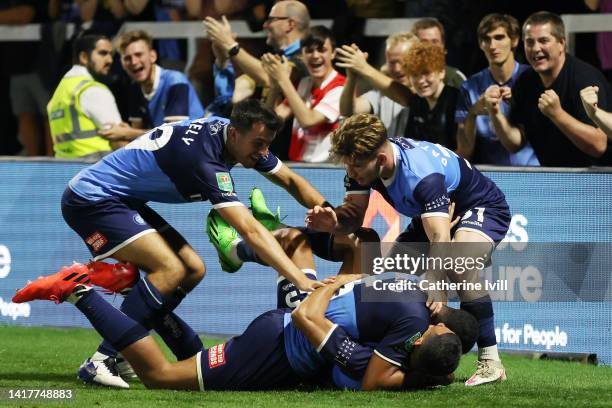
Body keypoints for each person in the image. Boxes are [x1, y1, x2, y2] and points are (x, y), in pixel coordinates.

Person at [57, 99, 329, 388]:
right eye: (259, 143)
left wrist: (329, 211)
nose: (263, 152)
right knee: (170, 269)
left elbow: (290, 180)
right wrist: (299, 278)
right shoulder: (205, 160)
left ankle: (127, 348)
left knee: (192, 268)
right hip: (91, 200)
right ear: (235, 134)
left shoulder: (235, 136)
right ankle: (101, 359)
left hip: (124, 201)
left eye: (268, 144)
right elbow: (250, 230)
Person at [12, 264, 473, 391]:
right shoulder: (403, 333)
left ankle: (144, 298)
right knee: (160, 377)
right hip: (275, 350)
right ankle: (79, 291)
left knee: (189, 363)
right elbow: (373, 380)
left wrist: (341, 282)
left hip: (277, 337)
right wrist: (421, 378)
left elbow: (354, 282)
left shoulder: (407, 297)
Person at [305, 113, 511, 386]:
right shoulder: (364, 162)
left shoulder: (421, 175)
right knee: (385, 280)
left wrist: (437, 283)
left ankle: (490, 361)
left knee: (458, 263)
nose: (350, 172)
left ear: (380, 160)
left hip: (479, 206)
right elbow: (353, 218)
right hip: (431, 214)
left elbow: (439, 233)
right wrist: (335, 222)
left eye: (354, 167)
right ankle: (427, 358)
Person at [485, 11, 612, 167]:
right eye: (530, 42)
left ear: (561, 44)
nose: (536, 48)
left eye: (543, 40)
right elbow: (515, 143)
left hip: (597, 180)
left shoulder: (585, 79)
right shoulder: (525, 82)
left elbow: (599, 146)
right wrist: (495, 114)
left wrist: (557, 115)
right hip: (552, 178)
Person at [455, 13, 539, 166]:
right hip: (491, 176)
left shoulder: (533, 78)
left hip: (536, 173)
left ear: (514, 40)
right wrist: (473, 112)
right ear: (481, 44)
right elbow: (465, 151)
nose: (492, 46)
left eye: (499, 37)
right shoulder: (470, 86)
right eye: (487, 39)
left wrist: (520, 101)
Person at [100, 30, 205, 144]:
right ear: (122, 64)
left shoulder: (175, 82)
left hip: (195, 148)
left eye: (138, 55)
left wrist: (127, 133)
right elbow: (137, 134)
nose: (134, 62)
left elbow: (173, 136)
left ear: (152, 56)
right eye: (127, 58)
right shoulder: (135, 87)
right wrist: (125, 131)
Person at [262, 26, 345, 163]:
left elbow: (308, 121)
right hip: (298, 166)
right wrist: (275, 85)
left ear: (333, 53)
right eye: (309, 51)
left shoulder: (340, 87)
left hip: (328, 170)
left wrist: (283, 79)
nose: (315, 55)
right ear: (302, 55)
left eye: (322, 50)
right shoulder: (303, 84)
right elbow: (269, 121)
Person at [46, 34, 123, 159]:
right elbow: (120, 140)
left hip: (64, 169)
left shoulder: (60, 92)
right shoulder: (93, 90)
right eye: (103, 53)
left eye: (111, 54)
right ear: (84, 57)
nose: (110, 60)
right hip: (97, 169)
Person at [339, 32, 418, 138]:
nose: (397, 69)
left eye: (403, 61)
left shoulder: (427, 89)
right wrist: (352, 77)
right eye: (392, 62)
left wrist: (363, 67)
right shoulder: (381, 94)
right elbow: (348, 111)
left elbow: (407, 98)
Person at [402, 42, 459, 150]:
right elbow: (410, 145)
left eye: (427, 73)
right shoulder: (417, 102)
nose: (421, 81)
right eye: (415, 75)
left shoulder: (457, 99)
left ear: (441, 72)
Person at [411, 18, 466, 89]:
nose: (430, 47)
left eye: (434, 41)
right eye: (424, 42)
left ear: (442, 45)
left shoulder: (454, 78)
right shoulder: (405, 76)